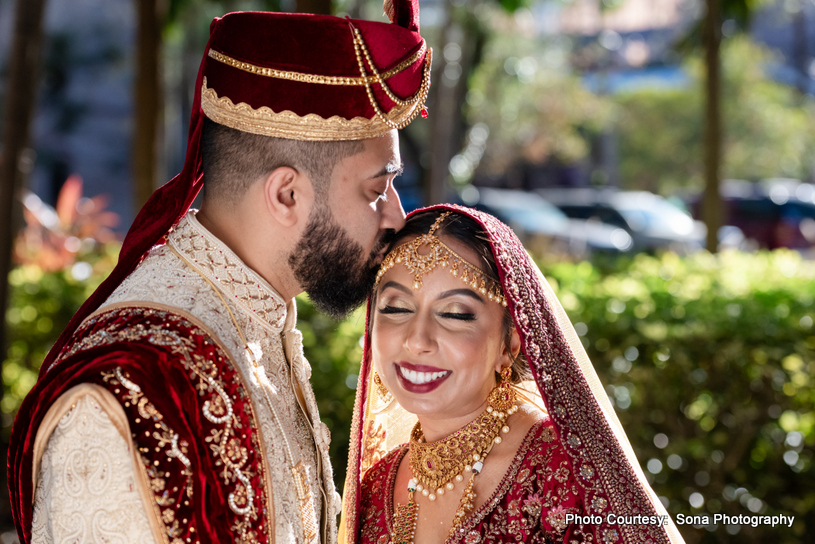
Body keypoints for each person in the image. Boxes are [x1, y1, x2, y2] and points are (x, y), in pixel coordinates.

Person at [8, 2, 431, 543]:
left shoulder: (263, 316)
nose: (397, 216)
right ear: (287, 194)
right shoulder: (124, 395)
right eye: (377, 189)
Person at [339, 206, 686, 544]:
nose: (417, 340)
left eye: (455, 314)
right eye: (396, 308)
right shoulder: (375, 486)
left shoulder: (567, 474)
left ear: (510, 343)